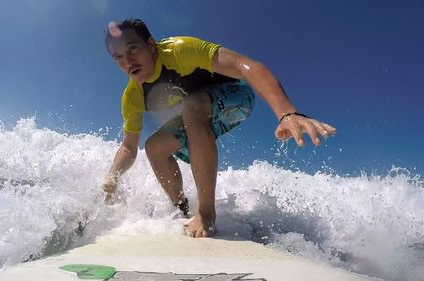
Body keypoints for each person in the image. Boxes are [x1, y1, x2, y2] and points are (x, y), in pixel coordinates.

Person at [101, 18, 336, 238]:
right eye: (118, 57)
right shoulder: (132, 97)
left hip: (237, 98)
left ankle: (205, 214)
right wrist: (112, 177)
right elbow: (129, 147)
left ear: (151, 45)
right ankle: (182, 210)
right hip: (197, 114)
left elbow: (246, 66)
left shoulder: (179, 50)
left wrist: (287, 112)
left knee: (191, 105)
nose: (127, 61)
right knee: (154, 147)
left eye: (132, 48)